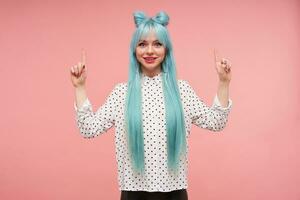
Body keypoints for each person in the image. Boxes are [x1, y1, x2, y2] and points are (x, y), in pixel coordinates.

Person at [70, 11, 233, 200]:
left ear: (166, 50)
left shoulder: (182, 91)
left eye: (157, 44)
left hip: (174, 193)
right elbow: (88, 129)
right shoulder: (121, 93)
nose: (149, 51)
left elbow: (217, 122)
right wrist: (80, 88)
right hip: (133, 194)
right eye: (142, 44)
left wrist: (223, 82)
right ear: (134, 51)